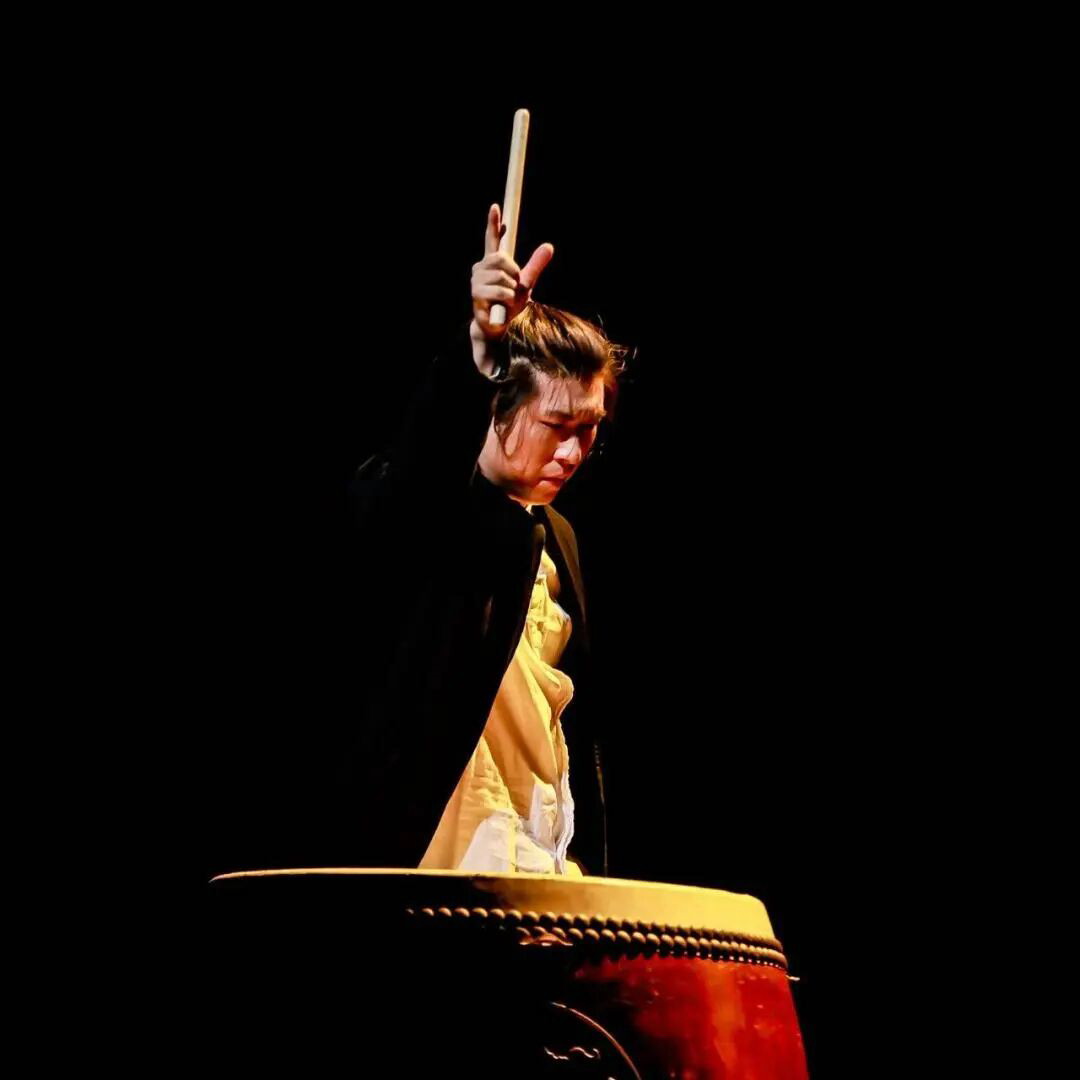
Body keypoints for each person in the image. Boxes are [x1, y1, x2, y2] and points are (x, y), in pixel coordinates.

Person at [345, 204, 624, 877]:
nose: (575, 453)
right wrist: (479, 347)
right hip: (438, 848)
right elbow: (423, 466)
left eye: (589, 429)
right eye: (558, 426)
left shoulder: (556, 536)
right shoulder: (425, 509)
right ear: (497, 410)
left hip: (534, 837)